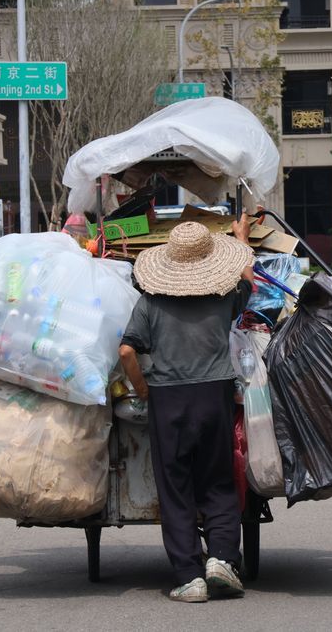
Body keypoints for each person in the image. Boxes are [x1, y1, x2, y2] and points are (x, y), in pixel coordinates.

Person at [118, 215, 254, 604]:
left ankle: (189, 576)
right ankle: (223, 560)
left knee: (175, 487)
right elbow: (249, 283)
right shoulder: (224, 295)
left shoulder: (149, 302)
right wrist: (243, 242)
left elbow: (127, 350)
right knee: (218, 480)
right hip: (215, 394)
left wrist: (143, 389)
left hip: (168, 399)